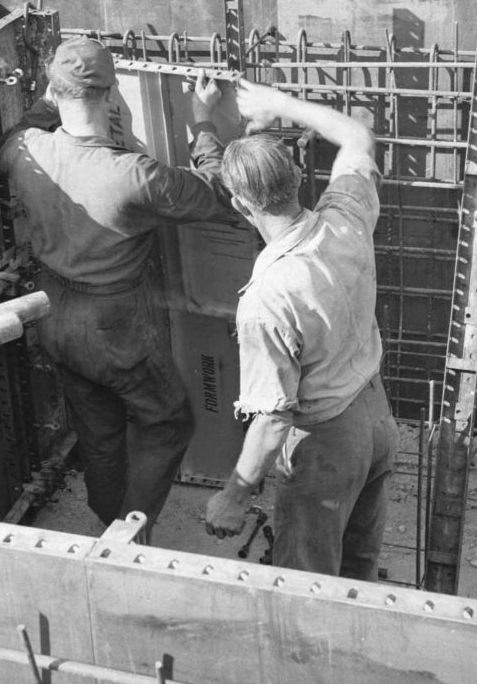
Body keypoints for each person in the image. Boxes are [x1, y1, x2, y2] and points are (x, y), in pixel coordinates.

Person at [0, 36, 231, 541]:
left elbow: (24, 127)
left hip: (50, 312)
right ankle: (129, 533)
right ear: (113, 95)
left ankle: (109, 516)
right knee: (167, 420)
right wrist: (203, 120)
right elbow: (218, 191)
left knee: (98, 428)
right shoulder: (133, 175)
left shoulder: (24, 150)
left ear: (54, 93)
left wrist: (50, 94)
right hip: (112, 325)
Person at [204, 79, 399, 580]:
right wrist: (279, 104)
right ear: (295, 179)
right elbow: (357, 138)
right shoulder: (345, 218)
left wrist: (234, 496)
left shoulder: (267, 297)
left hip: (326, 444)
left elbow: (272, 420)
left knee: (307, 581)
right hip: (376, 419)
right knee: (356, 566)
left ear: (242, 208)